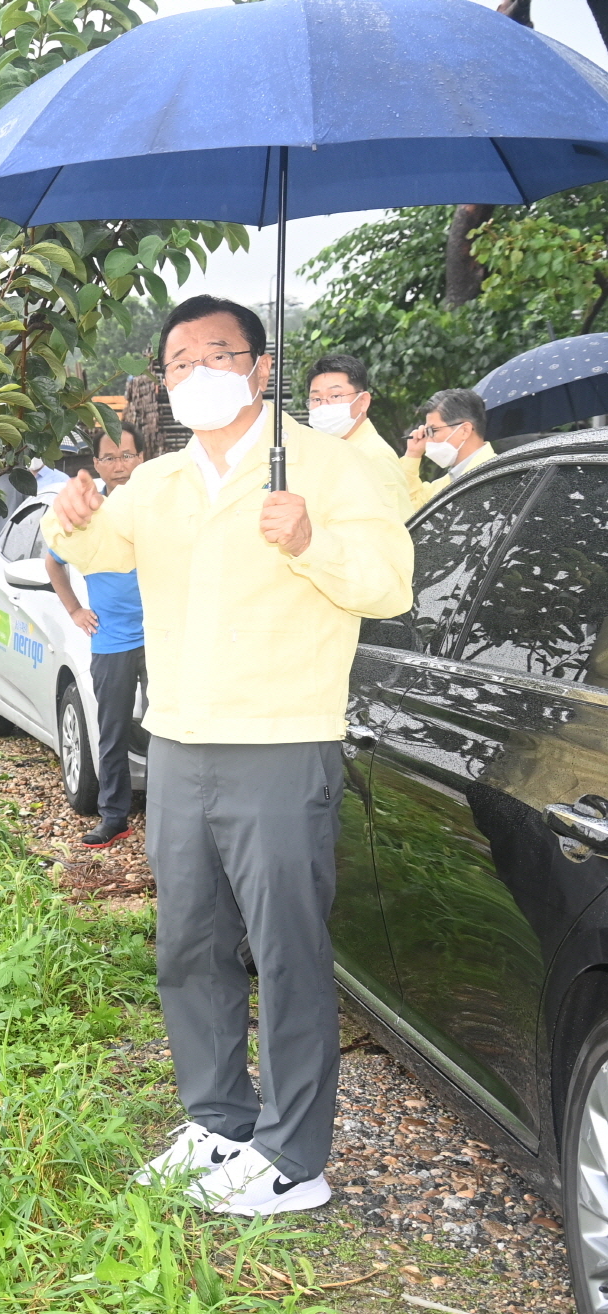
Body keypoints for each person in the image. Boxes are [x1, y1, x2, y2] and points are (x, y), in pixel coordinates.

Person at [45, 294, 412, 1217]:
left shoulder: (324, 468)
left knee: (287, 951)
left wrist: (311, 538)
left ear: (257, 367)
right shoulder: (161, 483)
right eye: (177, 360)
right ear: (162, 383)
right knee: (191, 943)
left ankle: (294, 1154)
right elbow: (95, 542)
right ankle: (218, 1119)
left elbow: (392, 584)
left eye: (217, 353)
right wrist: (72, 510)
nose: (195, 370)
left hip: (283, 743)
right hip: (177, 745)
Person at [42, 421, 146, 848]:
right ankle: (114, 816)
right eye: (108, 457)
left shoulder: (157, 505)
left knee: (171, 732)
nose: (119, 465)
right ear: (96, 464)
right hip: (112, 640)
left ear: (142, 458)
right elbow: (54, 562)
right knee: (113, 730)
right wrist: (74, 609)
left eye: (126, 455)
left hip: (163, 636)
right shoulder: (87, 514)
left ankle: (171, 817)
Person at [303, 353, 413, 517]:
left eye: (335, 396)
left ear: (363, 402)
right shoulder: (329, 451)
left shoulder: (373, 456)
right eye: (316, 398)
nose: (323, 405)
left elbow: (393, 529)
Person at [405, 387, 498, 508]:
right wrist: (412, 454)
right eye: (426, 432)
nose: (427, 439)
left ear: (464, 430)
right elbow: (407, 508)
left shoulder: (497, 476)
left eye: (432, 430)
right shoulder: (443, 484)